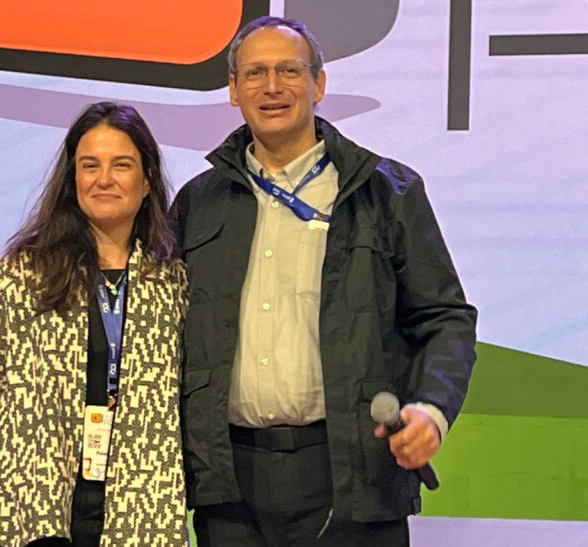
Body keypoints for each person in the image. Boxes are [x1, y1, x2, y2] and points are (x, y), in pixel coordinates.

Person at [173, 16, 478, 546]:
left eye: (289, 70)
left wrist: (432, 410)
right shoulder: (197, 202)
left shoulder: (386, 192)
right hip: (228, 484)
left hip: (352, 475)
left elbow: (445, 318)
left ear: (318, 83)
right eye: (255, 73)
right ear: (233, 90)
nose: (272, 87)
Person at [0, 102, 188, 547]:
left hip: (139, 512)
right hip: (28, 510)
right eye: (90, 165)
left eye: (121, 165)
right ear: (73, 179)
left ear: (147, 179)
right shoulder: (27, 270)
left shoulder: (174, 279)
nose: (104, 179)